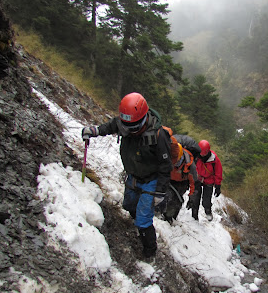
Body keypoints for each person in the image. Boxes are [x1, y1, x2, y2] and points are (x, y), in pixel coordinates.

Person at [81, 92, 172, 260]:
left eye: (134, 127)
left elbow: (166, 165)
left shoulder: (159, 136)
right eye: (127, 126)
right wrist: (94, 131)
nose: (130, 131)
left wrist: (160, 192)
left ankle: (149, 251)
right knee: (129, 206)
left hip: (151, 180)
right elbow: (110, 126)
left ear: (143, 118)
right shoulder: (125, 122)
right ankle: (138, 226)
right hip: (133, 176)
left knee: (144, 219)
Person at [163, 142, 198, 223]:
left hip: (182, 183)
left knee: (176, 202)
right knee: (167, 196)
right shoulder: (167, 157)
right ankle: (162, 214)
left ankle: (171, 218)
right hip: (169, 181)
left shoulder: (190, 166)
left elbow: (194, 183)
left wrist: (192, 198)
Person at [192, 139, 223, 221]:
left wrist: (218, 186)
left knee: (206, 201)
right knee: (195, 198)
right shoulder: (196, 157)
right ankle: (194, 215)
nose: (201, 155)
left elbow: (218, 173)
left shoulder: (214, 160)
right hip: (198, 179)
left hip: (209, 181)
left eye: (203, 154)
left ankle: (208, 211)